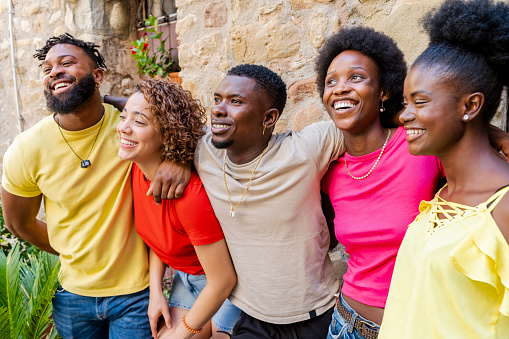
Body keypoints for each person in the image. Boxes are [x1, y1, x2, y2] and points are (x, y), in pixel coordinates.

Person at [1, 33, 183, 338]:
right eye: (47, 69)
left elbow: (192, 133)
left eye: (66, 63)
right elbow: (19, 223)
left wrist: (178, 159)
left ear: (98, 76)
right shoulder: (26, 149)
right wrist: (71, 250)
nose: (54, 71)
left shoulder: (131, 129)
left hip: (136, 296)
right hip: (72, 298)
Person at [379, 0, 509, 337]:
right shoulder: (443, 194)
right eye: (406, 103)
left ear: (470, 106)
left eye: (419, 102)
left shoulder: (504, 206)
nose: (405, 116)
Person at [315, 27, 444, 339]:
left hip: (417, 327)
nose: (340, 89)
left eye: (356, 77)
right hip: (346, 325)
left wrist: (496, 135)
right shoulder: (329, 171)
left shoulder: (419, 145)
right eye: (331, 81)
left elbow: (467, 141)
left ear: (384, 91)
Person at [117, 79, 240, 339]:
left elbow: (223, 281)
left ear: (167, 134)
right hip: (183, 280)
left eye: (138, 122)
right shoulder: (137, 171)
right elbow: (159, 240)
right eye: (123, 116)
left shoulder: (188, 196)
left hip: (225, 287)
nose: (123, 128)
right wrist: (155, 292)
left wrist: (184, 332)